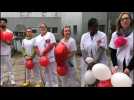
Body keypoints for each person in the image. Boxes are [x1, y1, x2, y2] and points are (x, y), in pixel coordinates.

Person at [80, 18, 108, 87]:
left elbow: (100, 50)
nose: (96, 28)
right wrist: (88, 62)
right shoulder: (84, 36)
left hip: (100, 63)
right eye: (94, 26)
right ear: (89, 27)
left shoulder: (102, 35)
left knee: (99, 82)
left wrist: (93, 63)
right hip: (87, 64)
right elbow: (83, 52)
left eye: (97, 26)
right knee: (89, 81)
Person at [109, 12, 134, 86]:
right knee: (118, 83)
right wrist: (115, 64)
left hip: (131, 65)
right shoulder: (115, 34)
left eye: (126, 18)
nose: (124, 20)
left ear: (130, 20)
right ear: (120, 22)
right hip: (118, 65)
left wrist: (129, 68)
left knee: (129, 84)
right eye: (122, 19)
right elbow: (113, 51)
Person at [0, 18, 16, 86]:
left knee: (9, 66)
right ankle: (1, 80)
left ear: (6, 23)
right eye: (1, 22)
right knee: (0, 67)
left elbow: (10, 43)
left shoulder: (10, 32)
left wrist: (5, 41)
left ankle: (12, 80)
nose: (2, 23)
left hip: (7, 52)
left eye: (3, 22)